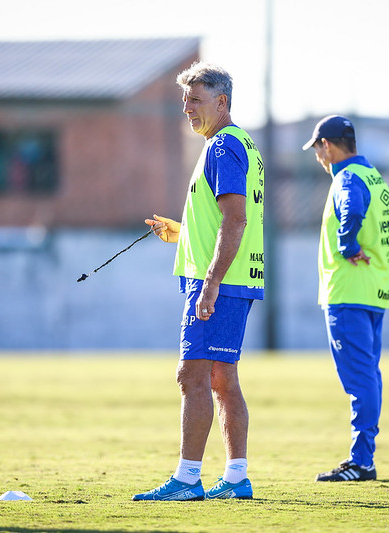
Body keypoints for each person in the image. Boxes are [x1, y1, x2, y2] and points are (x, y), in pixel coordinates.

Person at [132, 62, 265, 501]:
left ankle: (188, 480)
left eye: (196, 100)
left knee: (191, 376)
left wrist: (209, 283)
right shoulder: (239, 142)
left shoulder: (223, 146)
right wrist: (181, 233)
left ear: (222, 102)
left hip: (220, 284)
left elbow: (236, 219)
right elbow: (222, 221)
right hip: (235, 280)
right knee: (222, 378)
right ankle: (236, 477)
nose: (187, 108)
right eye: (185, 100)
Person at [303, 115, 389, 482]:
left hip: (349, 292)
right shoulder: (374, 175)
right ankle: (364, 457)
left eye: (317, 150)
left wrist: (347, 244)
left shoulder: (348, 178)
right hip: (373, 291)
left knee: (359, 380)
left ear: (326, 146)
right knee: (368, 376)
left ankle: (361, 461)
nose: (318, 157)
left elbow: (352, 208)